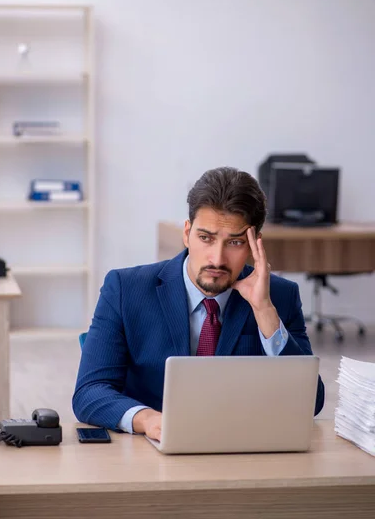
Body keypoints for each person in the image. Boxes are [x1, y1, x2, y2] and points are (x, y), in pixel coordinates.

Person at [73, 167, 325, 441]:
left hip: (242, 449)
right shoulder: (125, 288)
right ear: (187, 233)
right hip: (150, 451)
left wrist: (265, 312)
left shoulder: (279, 297)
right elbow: (90, 391)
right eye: (205, 238)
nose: (217, 259)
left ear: (255, 245)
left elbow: (311, 402)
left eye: (235, 242)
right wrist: (147, 419)